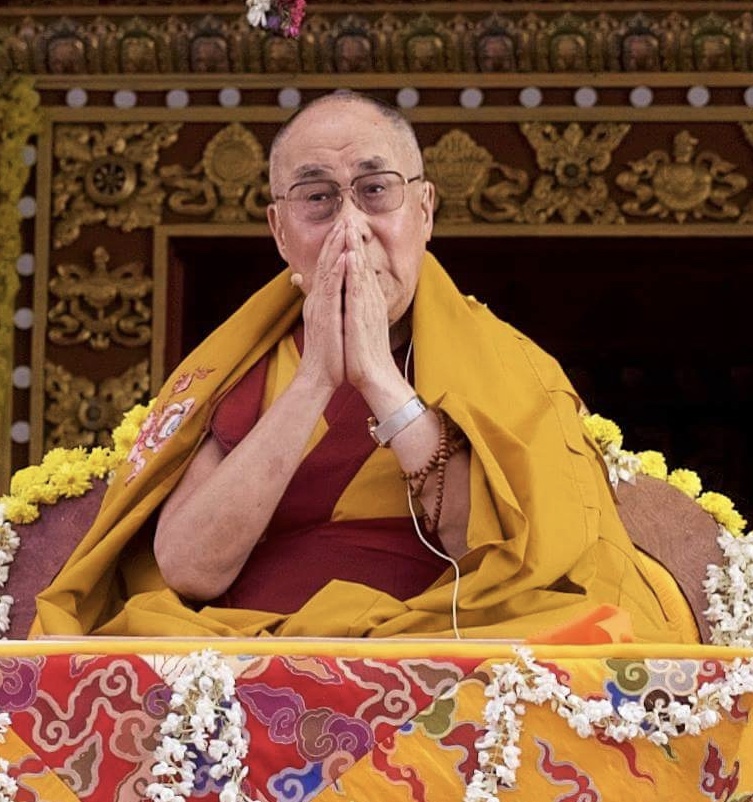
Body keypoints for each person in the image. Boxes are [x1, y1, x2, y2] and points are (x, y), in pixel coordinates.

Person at [34, 90, 696, 643]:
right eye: (317, 198)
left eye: (375, 191)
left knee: (579, 632)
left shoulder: (505, 363)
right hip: (250, 657)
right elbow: (188, 569)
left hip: (444, 648)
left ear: (424, 210)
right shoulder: (245, 369)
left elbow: (498, 553)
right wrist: (315, 379)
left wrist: (380, 379)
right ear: (279, 229)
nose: (350, 225)